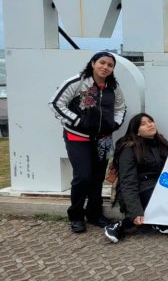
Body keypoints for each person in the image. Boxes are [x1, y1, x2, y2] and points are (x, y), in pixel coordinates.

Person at [50, 51, 127, 233]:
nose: (105, 67)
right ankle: (76, 215)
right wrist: (77, 122)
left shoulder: (113, 87)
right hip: (78, 137)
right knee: (83, 176)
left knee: (98, 178)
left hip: (103, 139)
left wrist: (115, 124)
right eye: (102, 63)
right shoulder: (78, 82)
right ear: (93, 63)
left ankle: (94, 214)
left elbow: (121, 107)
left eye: (110, 65)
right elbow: (55, 104)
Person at [104, 113, 168, 243]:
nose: (149, 125)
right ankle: (119, 226)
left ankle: (157, 220)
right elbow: (128, 181)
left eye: (150, 121)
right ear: (137, 132)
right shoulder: (129, 148)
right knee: (156, 197)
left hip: (158, 186)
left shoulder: (161, 142)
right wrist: (135, 211)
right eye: (143, 124)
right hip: (139, 190)